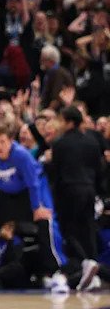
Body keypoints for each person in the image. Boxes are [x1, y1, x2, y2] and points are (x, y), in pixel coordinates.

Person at [0, 124, 67, 293]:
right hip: (3, 195)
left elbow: (33, 183)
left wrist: (36, 207)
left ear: (11, 141)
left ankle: (56, 274)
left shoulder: (21, 155)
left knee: (44, 222)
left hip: (26, 194)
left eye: (2, 142)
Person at [47, 106, 103, 289]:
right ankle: (92, 268)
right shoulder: (93, 142)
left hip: (69, 190)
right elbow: (99, 169)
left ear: (69, 121)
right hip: (89, 189)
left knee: (68, 230)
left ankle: (84, 263)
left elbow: (56, 172)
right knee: (88, 230)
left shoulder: (60, 143)